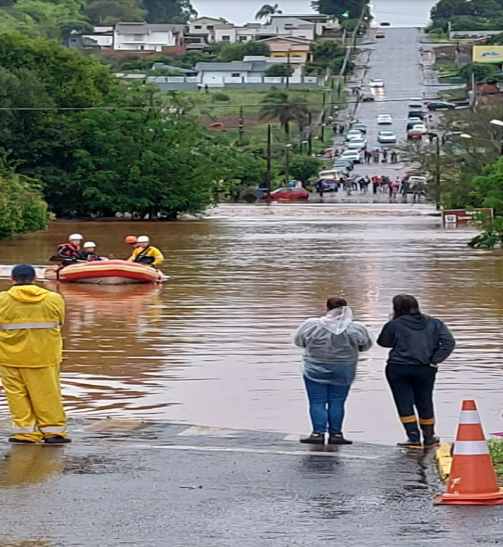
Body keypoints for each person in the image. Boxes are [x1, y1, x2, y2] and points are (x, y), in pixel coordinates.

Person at [0, 264, 70, 444]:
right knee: (47, 393)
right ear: (35, 279)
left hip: (9, 356)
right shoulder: (54, 298)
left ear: (12, 279)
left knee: (17, 396)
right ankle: (54, 432)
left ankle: (26, 434)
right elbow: (59, 321)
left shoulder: (1, 300)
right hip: (45, 355)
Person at [377, 295, 455, 449]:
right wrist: (434, 360)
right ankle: (429, 437)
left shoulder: (395, 324)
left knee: (403, 402)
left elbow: (384, 342)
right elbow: (449, 343)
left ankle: (413, 438)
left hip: (398, 368)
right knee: (425, 401)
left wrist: (391, 323)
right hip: (425, 368)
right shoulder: (435, 323)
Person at [294, 297, 373, 445]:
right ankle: (336, 434)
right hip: (344, 369)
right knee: (338, 401)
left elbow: (299, 341)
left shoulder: (311, 325)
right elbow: (365, 345)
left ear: (327, 308)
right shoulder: (356, 328)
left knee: (316, 401)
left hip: (314, 368)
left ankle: (318, 433)